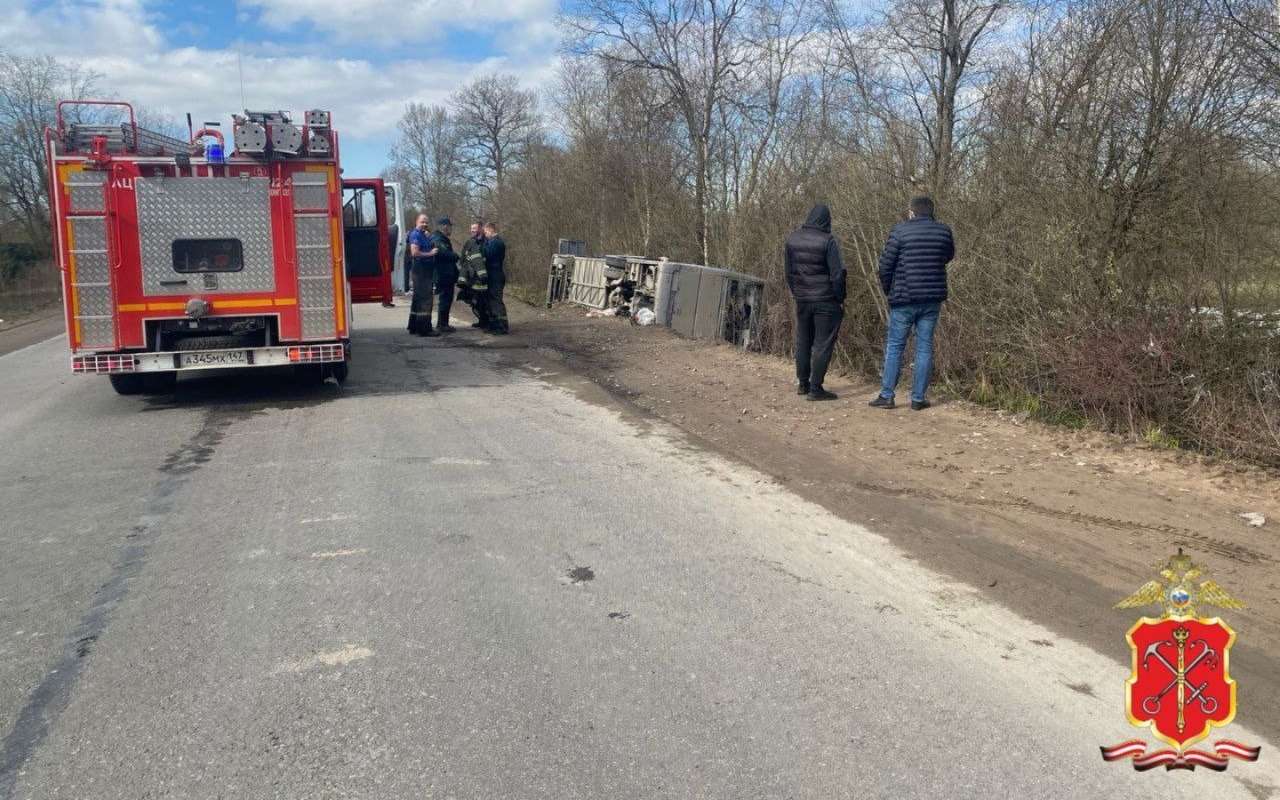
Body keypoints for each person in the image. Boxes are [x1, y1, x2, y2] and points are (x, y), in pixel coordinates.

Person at [870, 195, 955, 411]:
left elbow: (885, 266)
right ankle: (918, 398)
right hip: (932, 298)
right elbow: (947, 256)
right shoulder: (944, 231)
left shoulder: (900, 231)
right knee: (924, 346)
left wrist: (889, 290)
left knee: (896, 345)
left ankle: (887, 395)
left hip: (904, 298)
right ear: (931, 211)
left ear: (912, 212)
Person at [784, 203, 846, 401]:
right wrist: (840, 297)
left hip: (802, 299)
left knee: (803, 340)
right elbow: (837, 274)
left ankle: (803, 384)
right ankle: (816, 388)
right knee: (822, 344)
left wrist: (797, 293)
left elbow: (788, 272)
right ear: (827, 220)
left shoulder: (792, 239)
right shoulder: (828, 241)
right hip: (826, 300)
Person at [406, 214, 438, 336]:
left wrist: (429, 239)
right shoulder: (415, 234)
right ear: (416, 222)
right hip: (421, 270)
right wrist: (430, 253)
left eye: (426, 222)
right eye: (422, 222)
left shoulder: (423, 235)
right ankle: (424, 329)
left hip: (425, 270)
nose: (425, 224)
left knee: (418, 298)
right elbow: (415, 252)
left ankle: (414, 326)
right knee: (425, 299)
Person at [429, 217, 459, 333]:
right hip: (443, 274)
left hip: (445, 274)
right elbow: (443, 253)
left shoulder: (441, 238)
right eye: (449, 226)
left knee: (446, 298)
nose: (450, 229)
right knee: (445, 299)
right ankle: (442, 324)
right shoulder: (438, 239)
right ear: (444, 226)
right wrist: (455, 256)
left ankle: (443, 323)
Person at [459, 221, 490, 329]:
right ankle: (481, 321)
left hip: (482, 278)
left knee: (483, 300)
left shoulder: (486, 242)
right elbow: (463, 258)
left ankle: (486, 322)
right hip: (471, 278)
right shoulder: (469, 242)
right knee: (474, 301)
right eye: (471, 228)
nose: (472, 230)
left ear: (481, 229)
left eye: (475, 228)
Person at [482, 221, 508, 334]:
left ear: (491, 230)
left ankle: (502, 326)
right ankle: (494, 324)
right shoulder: (491, 242)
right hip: (492, 275)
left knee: (496, 301)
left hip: (496, 275)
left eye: (486, 232)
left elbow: (488, 254)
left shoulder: (497, 243)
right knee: (491, 301)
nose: (485, 234)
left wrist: (481, 247)